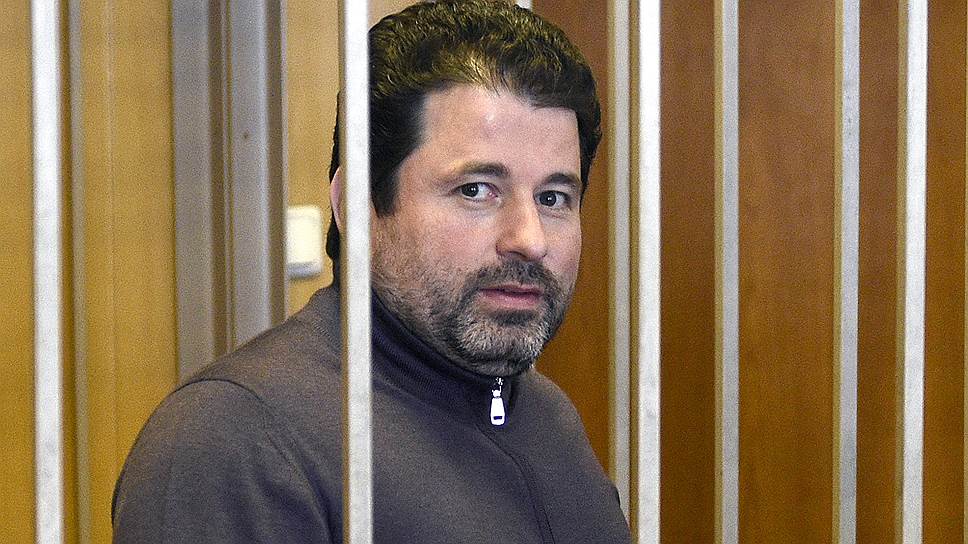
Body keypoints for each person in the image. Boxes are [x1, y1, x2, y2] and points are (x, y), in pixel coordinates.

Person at [112, 1, 631, 542]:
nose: (529, 239)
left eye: (553, 197)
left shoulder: (547, 416)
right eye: (476, 190)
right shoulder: (235, 440)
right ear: (355, 205)